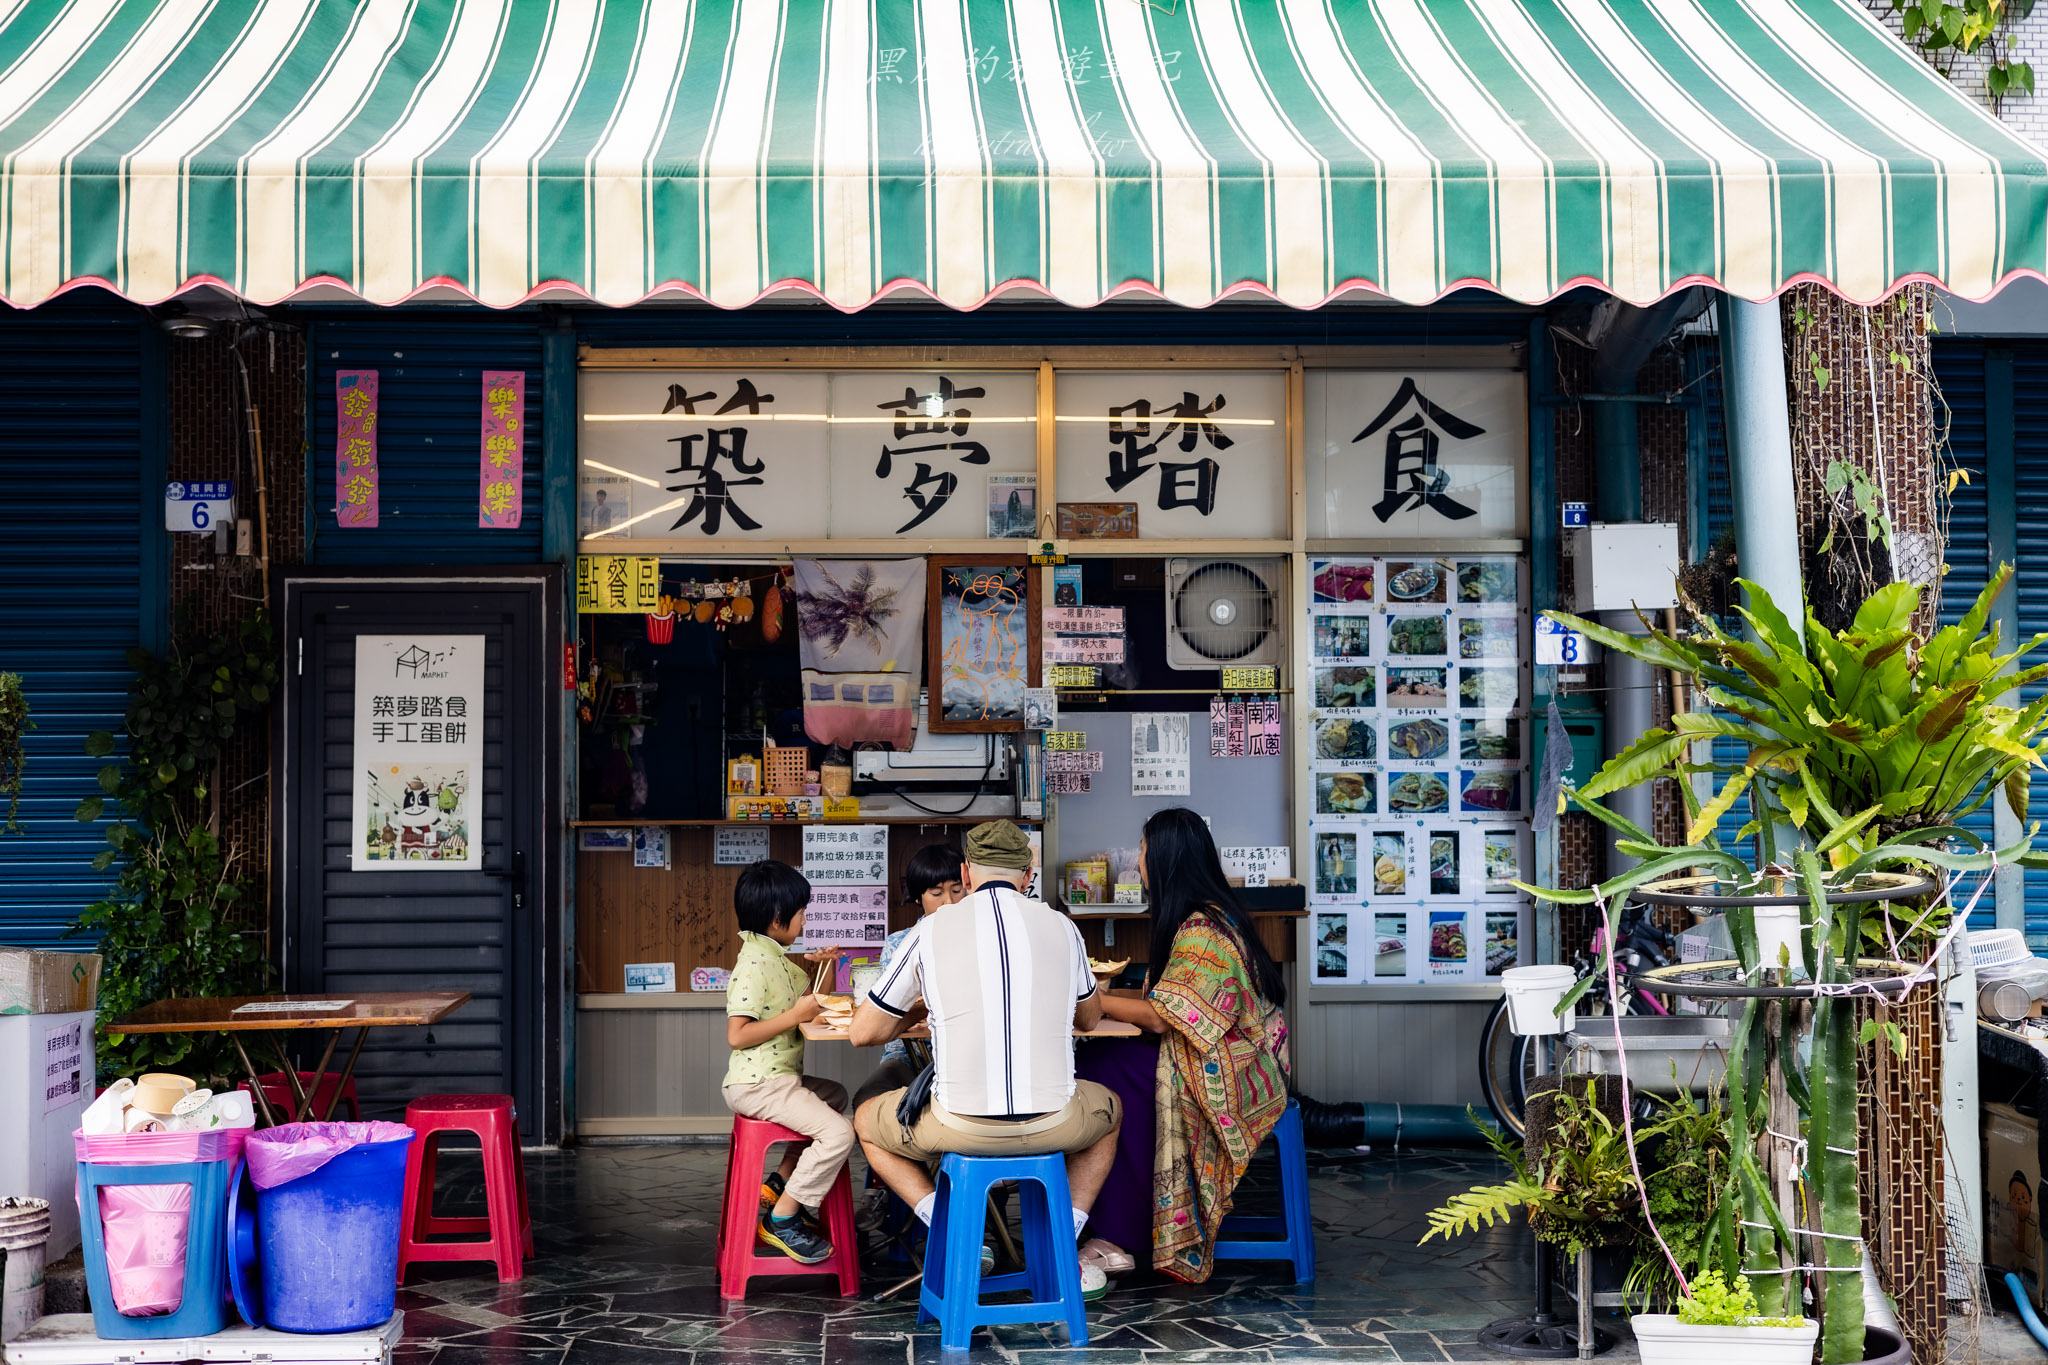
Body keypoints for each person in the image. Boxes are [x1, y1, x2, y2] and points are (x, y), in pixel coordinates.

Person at [849, 819, 1123, 1299]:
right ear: (1028, 871)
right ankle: (1065, 1233)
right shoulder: (1063, 926)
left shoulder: (931, 930)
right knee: (1111, 1111)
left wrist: (917, 1006)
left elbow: (863, 1032)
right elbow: (1090, 1018)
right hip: (1054, 1122)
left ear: (966, 872)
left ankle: (953, 1229)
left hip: (958, 1125)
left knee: (867, 1120)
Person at [1092, 807, 1291, 1282]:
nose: (1138, 862)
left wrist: (1097, 999)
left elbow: (1164, 1019)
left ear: (1165, 860)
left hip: (1236, 1076)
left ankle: (1120, 1235)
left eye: (1142, 851)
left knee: (1104, 1078)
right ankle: (1123, 1223)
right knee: (1108, 1065)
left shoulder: (1204, 930)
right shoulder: (1206, 917)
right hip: (1229, 1061)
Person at [722, 858, 854, 1265]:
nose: (805, 920)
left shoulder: (776, 957)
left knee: (835, 1094)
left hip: (779, 1078)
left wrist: (827, 968)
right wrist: (795, 1016)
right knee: (838, 1135)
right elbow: (737, 1035)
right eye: (801, 913)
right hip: (760, 1083)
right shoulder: (754, 965)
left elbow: (811, 1006)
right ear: (778, 918)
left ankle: (780, 1180)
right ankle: (783, 1218)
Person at [851, 844, 963, 1111]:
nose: (948, 901)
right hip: (905, 1055)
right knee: (868, 1101)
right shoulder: (899, 944)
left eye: (957, 890)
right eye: (936, 893)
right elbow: (889, 1014)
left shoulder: (981, 938)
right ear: (918, 897)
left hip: (962, 1054)